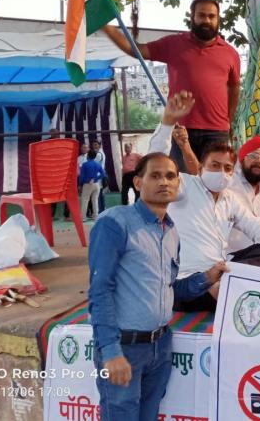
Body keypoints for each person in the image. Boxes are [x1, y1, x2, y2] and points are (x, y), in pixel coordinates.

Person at [88, 151, 228, 420]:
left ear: (178, 184)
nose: (164, 182)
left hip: (160, 347)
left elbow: (170, 289)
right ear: (138, 183)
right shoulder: (115, 223)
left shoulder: (171, 230)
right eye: (155, 175)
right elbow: (99, 290)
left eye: (170, 176)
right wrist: (111, 351)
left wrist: (207, 278)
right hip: (124, 348)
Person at [148, 92, 260, 311]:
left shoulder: (229, 198)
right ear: (200, 168)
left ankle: (233, 286)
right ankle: (231, 288)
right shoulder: (185, 186)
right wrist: (167, 122)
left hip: (221, 269)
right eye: (214, 165)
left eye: (227, 168)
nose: (222, 172)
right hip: (187, 280)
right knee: (189, 289)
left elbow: (256, 226)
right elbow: (155, 162)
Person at [103, 0, 241, 169]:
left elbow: (234, 87)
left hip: (217, 131)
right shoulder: (174, 43)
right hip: (181, 130)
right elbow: (136, 49)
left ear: (218, 19)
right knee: (181, 184)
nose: (206, 20)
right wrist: (106, 27)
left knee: (213, 184)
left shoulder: (231, 53)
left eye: (211, 16)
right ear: (193, 17)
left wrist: (228, 120)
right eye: (201, 15)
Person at [79, 150, 106, 221]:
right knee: (95, 200)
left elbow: (81, 177)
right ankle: (96, 216)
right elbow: (103, 174)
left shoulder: (85, 164)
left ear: (88, 156)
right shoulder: (98, 164)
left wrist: (80, 184)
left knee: (85, 200)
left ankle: (83, 218)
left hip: (87, 184)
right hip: (96, 184)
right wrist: (95, 179)